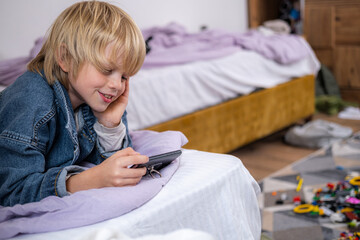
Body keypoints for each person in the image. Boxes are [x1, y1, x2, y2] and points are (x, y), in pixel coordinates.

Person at [0, 1, 148, 207]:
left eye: (124, 76)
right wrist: (84, 181)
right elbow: (12, 191)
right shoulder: (31, 102)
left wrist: (110, 126)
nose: (116, 85)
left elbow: (113, 168)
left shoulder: (98, 96)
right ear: (66, 58)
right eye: (106, 70)